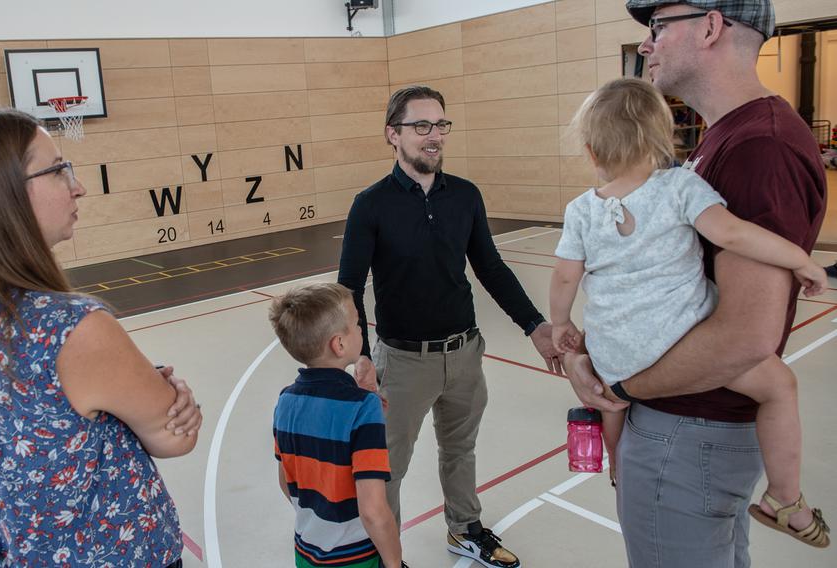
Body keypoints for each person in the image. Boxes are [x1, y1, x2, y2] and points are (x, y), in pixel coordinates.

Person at [562, 2, 828, 566]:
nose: (647, 45)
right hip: (684, 425)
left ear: (710, 26)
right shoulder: (715, 144)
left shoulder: (761, 147)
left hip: (688, 433)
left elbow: (744, 338)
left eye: (658, 27)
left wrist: (623, 385)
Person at [0, 109, 202, 566]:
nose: (78, 186)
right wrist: (166, 393)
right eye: (57, 170)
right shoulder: (70, 328)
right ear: (3, 196)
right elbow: (175, 438)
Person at [338, 85, 561, 568]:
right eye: (421, 126)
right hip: (400, 363)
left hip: (464, 354)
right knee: (388, 468)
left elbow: (491, 268)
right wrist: (360, 357)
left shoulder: (465, 195)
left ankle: (464, 529)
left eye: (440, 125)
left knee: (460, 450)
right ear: (392, 135)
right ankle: (385, 554)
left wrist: (534, 325)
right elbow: (348, 287)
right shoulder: (370, 205)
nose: (434, 136)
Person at [269, 283, 404, 568]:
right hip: (355, 558)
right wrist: (394, 563)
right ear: (339, 344)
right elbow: (373, 511)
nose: (361, 329)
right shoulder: (363, 408)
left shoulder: (286, 401)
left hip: (306, 551)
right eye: (356, 324)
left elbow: (285, 481)